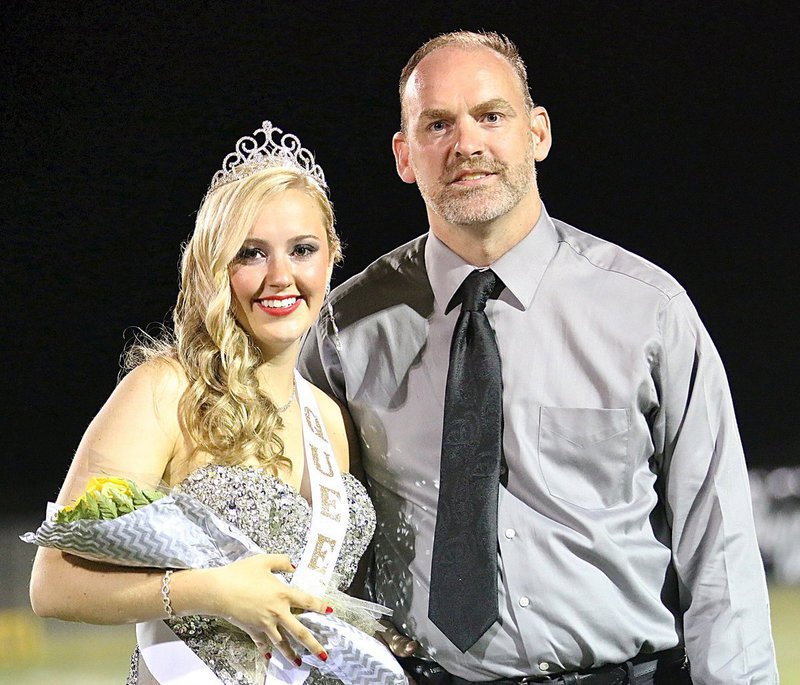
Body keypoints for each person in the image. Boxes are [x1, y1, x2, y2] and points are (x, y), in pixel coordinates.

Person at [298, 31, 778, 685]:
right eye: (437, 123)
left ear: (538, 133)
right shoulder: (345, 330)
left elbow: (717, 542)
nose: (466, 144)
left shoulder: (648, 310)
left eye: (490, 116)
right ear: (405, 155)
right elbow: (316, 533)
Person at [29, 121, 377, 684]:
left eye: (302, 250)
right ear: (217, 265)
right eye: (251, 254)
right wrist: (212, 592)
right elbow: (53, 586)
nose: (280, 276)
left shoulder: (330, 418)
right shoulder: (165, 391)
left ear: (332, 256)